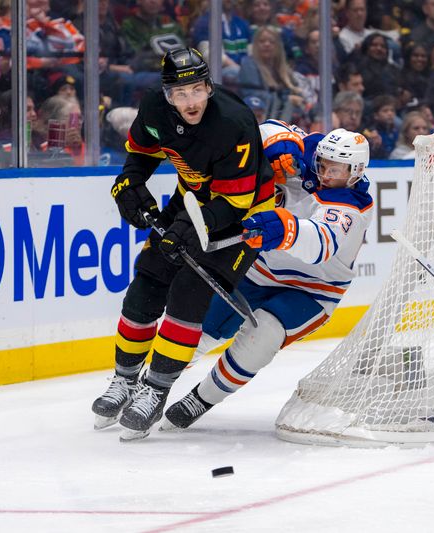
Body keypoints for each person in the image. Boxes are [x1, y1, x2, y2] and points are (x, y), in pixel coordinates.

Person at [90, 47, 274, 441]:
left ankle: (155, 390)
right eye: (180, 93)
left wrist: (187, 234)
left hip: (245, 215)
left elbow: (234, 204)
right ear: (167, 95)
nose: (190, 101)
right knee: (145, 286)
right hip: (192, 200)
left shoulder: (233, 122)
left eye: (197, 90)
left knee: (189, 292)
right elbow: (139, 155)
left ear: (208, 87)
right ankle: (125, 380)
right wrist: (128, 185)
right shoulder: (155, 107)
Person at [159, 123, 374, 431]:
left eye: (337, 170)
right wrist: (279, 143)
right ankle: (151, 386)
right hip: (261, 272)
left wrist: (285, 228)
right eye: (324, 165)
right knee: (204, 326)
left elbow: (321, 244)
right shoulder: (308, 153)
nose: (326, 175)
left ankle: (201, 399)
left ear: (356, 171)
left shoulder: (353, 206)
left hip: (313, 291)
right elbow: (259, 128)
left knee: (264, 337)